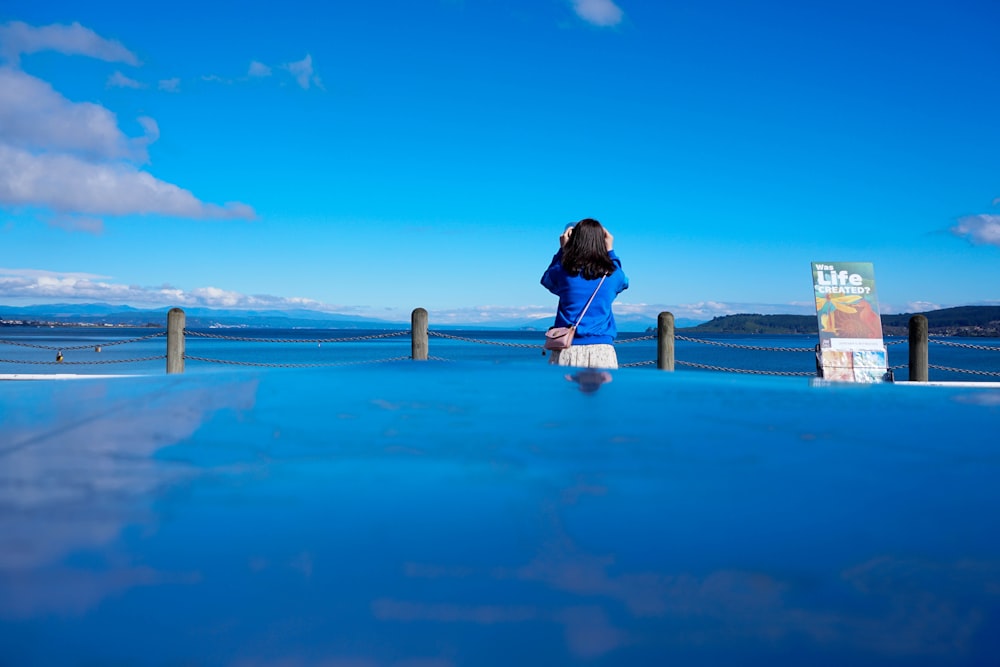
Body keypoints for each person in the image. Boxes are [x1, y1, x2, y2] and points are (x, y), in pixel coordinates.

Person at [541, 218, 629, 369]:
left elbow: (547, 281)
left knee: (563, 393)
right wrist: (610, 251)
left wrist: (562, 251)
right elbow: (623, 283)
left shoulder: (563, 271)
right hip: (602, 351)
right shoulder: (613, 275)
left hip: (566, 348)